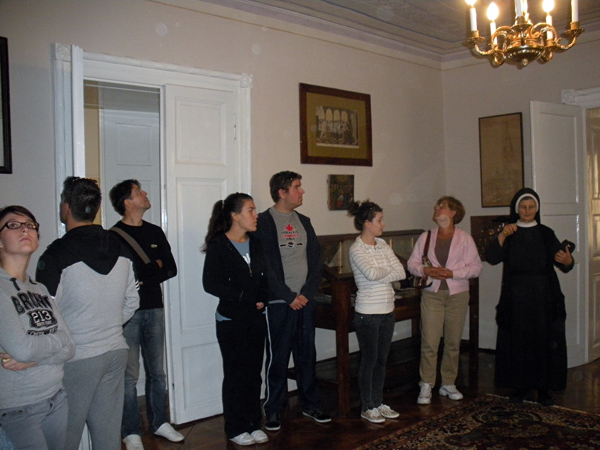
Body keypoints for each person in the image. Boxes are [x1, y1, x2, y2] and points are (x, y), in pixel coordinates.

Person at [36, 177, 140, 450]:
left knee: (64, 436)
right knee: (107, 435)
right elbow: (132, 301)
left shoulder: (57, 253)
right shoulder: (121, 247)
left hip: (77, 357)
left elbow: (45, 314)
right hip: (115, 351)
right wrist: (108, 325)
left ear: (66, 207)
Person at [108, 180, 183, 450]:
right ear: (127, 202)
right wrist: (154, 266)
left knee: (157, 372)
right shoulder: (113, 236)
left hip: (154, 308)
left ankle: (160, 422)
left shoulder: (154, 231)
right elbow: (117, 276)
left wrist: (144, 271)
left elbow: (170, 268)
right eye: (139, 192)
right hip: (127, 314)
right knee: (129, 376)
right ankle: (131, 430)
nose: (145, 194)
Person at [255, 170, 331, 431]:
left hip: (305, 302)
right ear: (282, 192)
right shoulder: (264, 222)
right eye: (297, 187)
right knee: (278, 358)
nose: (302, 191)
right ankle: (273, 409)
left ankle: (311, 404)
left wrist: (306, 294)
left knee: (307, 354)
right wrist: (288, 296)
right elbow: (265, 267)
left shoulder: (304, 221)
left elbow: (316, 261)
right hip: (279, 303)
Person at [485, 187, 574, 406]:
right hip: (516, 296)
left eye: (531, 207)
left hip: (544, 295)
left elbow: (564, 263)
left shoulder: (546, 233)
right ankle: (521, 386)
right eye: (523, 207)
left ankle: (543, 389)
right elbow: (492, 258)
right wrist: (502, 235)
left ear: (537, 208)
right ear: (517, 209)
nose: (527, 210)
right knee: (519, 340)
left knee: (544, 340)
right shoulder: (510, 232)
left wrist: (568, 260)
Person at [0, 205, 75, 449]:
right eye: (13, 225)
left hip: (56, 397)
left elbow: (70, 347)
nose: (25, 229)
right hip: (19, 407)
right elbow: (23, 349)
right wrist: (54, 344)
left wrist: (34, 360)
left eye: (30, 225)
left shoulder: (39, 289)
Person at [202, 193, 269, 446]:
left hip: (255, 318)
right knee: (236, 375)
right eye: (250, 210)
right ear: (235, 216)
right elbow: (210, 283)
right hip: (231, 320)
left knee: (254, 374)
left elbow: (264, 276)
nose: (256, 215)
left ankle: (254, 424)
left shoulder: (257, 242)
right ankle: (236, 427)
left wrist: (262, 297)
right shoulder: (219, 245)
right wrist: (243, 297)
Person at [408, 196, 482, 405]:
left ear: (453, 213)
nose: (436, 208)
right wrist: (426, 270)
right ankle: (426, 383)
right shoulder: (426, 237)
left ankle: (448, 383)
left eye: (442, 206)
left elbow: (476, 268)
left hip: (457, 295)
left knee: (452, 342)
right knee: (429, 341)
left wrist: (452, 273)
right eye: (437, 205)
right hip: (432, 294)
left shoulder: (465, 238)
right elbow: (412, 264)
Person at [347, 200, 406, 423]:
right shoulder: (356, 249)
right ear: (366, 223)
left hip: (387, 310)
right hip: (368, 314)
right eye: (379, 220)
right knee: (369, 360)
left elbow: (401, 272)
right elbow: (370, 274)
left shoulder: (382, 245)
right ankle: (367, 406)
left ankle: (378, 402)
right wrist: (386, 270)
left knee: (382, 360)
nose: (383, 224)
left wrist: (383, 271)